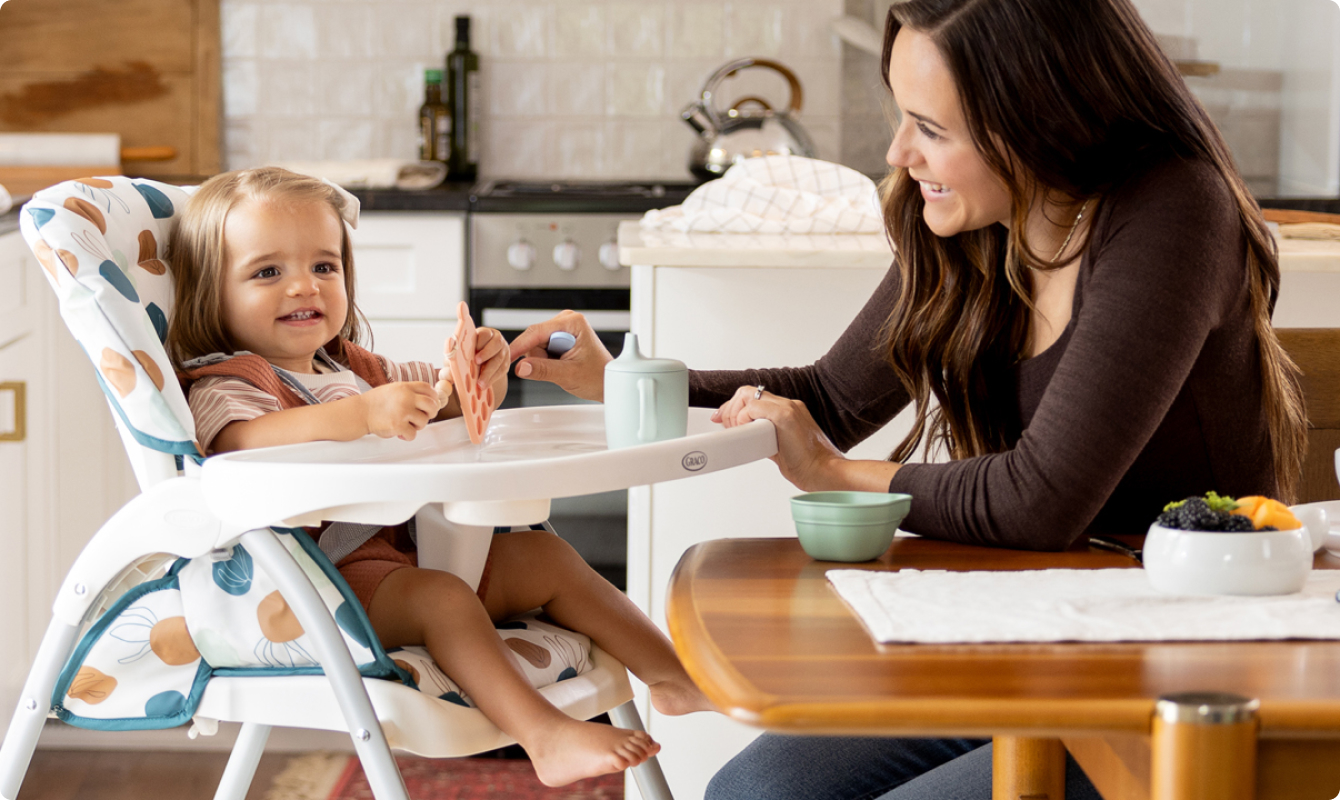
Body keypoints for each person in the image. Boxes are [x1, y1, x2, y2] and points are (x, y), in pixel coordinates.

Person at [506, 0, 1307, 795]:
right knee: (755, 792)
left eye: (931, 128)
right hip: (1037, 632)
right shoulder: (979, 220)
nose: (898, 152)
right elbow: (829, 395)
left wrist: (832, 473)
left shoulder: (1172, 208)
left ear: (1035, 120)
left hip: (1184, 674)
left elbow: (1041, 499)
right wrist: (625, 378)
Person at [164, 166, 713, 788]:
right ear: (212, 293)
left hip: (405, 550)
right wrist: (360, 415)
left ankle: (676, 678)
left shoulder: (353, 365)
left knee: (544, 556)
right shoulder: (226, 383)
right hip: (313, 587)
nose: (303, 287)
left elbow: (444, 403)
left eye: (324, 267)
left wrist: (479, 379)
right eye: (268, 272)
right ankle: (545, 736)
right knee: (441, 600)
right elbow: (241, 446)